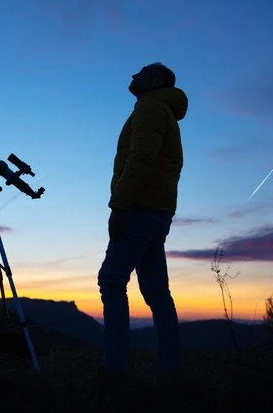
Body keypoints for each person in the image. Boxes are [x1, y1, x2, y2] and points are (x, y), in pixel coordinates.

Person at [97, 62, 189, 384]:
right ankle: (171, 370)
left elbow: (141, 160)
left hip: (140, 208)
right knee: (156, 292)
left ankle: (114, 369)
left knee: (111, 279)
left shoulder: (150, 109)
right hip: (157, 211)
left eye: (143, 71)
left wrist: (120, 207)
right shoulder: (162, 112)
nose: (134, 74)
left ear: (157, 81)